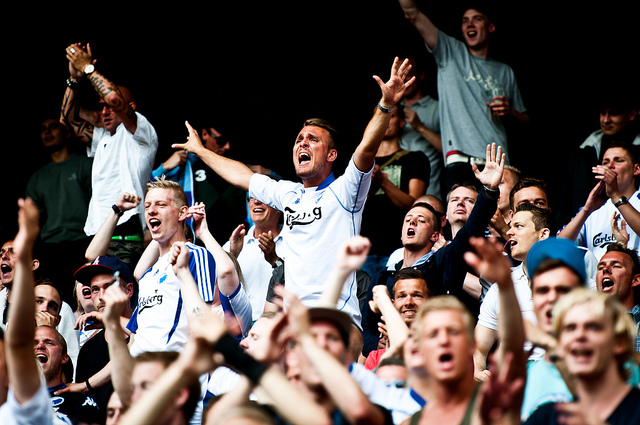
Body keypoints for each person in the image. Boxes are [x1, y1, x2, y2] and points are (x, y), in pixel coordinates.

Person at [173, 57, 416, 327]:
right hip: (293, 325)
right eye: (300, 139)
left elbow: (366, 149)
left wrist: (385, 106)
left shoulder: (346, 189)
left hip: (335, 320)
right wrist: (201, 150)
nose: (303, 143)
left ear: (332, 154)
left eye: (313, 140)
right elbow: (242, 175)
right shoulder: (287, 193)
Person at [361, 143, 505, 357]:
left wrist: (489, 191)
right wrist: (379, 345)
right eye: (408, 219)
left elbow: (471, 230)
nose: (412, 223)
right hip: (388, 362)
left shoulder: (443, 261)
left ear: (435, 235)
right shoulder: (382, 277)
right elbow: (367, 330)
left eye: (421, 221)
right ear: (401, 233)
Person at [396, 1, 529, 194]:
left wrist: (511, 112)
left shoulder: (504, 70)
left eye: (477, 19)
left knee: (500, 219)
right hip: (459, 160)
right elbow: (412, 13)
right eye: (465, 20)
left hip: (497, 162)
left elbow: (525, 122)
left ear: (490, 27)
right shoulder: (450, 52)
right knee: (461, 220)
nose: (470, 24)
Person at [402, 235, 527, 425]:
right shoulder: (410, 422)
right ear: (419, 348)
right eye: (433, 334)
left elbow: (513, 351)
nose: (444, 340)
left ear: (472, 344)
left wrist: (505, 286)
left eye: (453, 332)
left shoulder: (492, 409)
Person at [61, 43, 158, 264]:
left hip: (127, 233)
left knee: (119, 293)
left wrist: (88, 69)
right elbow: (67, 120)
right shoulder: (102, 137)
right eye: (100, 106)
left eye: (109, 107)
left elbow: (115, 99)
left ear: (130, 107)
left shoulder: (140, 133)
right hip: (97, 231)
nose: (104, 110)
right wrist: (74, 80)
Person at [524, 289, 640, 424]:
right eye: (570, 328)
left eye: (593, 327)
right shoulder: (548, 416)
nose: (579, 335)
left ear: (619, 342)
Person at [473, 203, 552, 381]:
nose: (509, 232)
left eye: (519, 226)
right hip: (509, 380)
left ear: (543, 234)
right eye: (510, 227)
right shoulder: (501, 286)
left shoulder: (567, 281)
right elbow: (480, 345)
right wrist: (478, 370)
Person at [0, 198, 61, 424]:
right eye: (1, 253)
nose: (4, 256)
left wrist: (24, 252)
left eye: (11, 252)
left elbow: (19, 344)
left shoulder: (26, 411)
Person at [518, 237, 590, 420]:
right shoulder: (521, 380)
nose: (552, 298)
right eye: (543, 291)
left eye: (563, 290)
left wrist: (551, 345)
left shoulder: (618, 368)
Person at [25, 118, 93, 306]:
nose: (47, 132)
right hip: (50, 248)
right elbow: (32, 221)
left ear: (68, 132)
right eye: (43, 128)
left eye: (53, 127)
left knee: (83, 299)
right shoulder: (37, 178)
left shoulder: (85, 165)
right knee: (53, 301)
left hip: (83, 243)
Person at [360, 104, 430, 279]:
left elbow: (414, 204)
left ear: (402, 122)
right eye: (380, 116)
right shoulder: (361, 162)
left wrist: (383, 180)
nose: (385, 121)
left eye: (390, 116)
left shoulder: (415, 158)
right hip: (363, 249)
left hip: (398, 248)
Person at [557, 92, 640, 226]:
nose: (606, 120)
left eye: (613, 113)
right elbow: (565, 200)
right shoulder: (584, 151)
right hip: (590, 230)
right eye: (603, 113)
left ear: (631, 114)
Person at [558, 142, 640, 260]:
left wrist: (616, 196)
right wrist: (586, 210)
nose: (610, 165)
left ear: (636, 169)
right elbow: (559, 247)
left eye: (619, 160)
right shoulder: (593, 209)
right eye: (605, 162)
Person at [223, 198, 284, 321]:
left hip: (280, 328)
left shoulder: (296, 242)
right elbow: (215, 290)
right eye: (251, 198)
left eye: (262, 197)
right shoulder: (233, 245)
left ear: (279, 205)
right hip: (240, 332)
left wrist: (276, 261)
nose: (256, 202)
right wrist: (232, 256)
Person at [364, 268, 431, 370]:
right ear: (392, 304)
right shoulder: (375, 358)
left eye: (417, 295)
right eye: (402, 296)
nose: (408, 302)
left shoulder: (438, 347)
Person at [34, 325, 101, 424]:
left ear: (64, 358)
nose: (40, 346)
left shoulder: (81, 401)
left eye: (49, 343)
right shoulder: (11, 400)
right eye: (33, 343)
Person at [398, 54, 443, 199]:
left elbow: (450, 150)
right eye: (400, 75)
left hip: (429, 192)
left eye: (408, 75)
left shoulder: (437, 108)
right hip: (397, 192)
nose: (403, 80)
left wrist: (420, 127)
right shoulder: (392, 109)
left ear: (421, 75)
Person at [595, 243, 640, 351]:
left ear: (635, 280)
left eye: (616, 266)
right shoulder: (585, 324)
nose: (605, 269)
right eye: (600, 267)